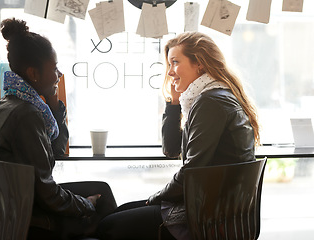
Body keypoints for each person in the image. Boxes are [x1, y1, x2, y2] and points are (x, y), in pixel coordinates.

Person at [97, 31, 260, 240]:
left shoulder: (210, 102)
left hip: (207, 216)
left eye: (175, 62)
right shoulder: (212, 97)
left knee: (107, 226)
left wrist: (155, 198)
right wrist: (173, 102)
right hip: (212, 208)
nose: (170, 72)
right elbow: (172, 149)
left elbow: (192, 171)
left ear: (199, 63)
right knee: (118, 213)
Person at [0, 18, 117, 240]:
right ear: (33, 74)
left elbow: (54, 150)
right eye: (54, 68)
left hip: (15, 206)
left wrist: (54, 105)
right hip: (28, 218)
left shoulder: (9, 103)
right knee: (102, 208)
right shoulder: (27, 115)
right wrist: (86, 204)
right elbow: (48, 195)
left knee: (102, 189)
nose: (59, 75)